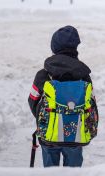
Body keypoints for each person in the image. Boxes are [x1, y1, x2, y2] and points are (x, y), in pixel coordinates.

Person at [28, 26, 98, 167]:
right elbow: (92, 104)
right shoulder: (83, 75)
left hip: (48, 134)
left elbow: (32, 101)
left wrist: (45, 119)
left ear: (54, 48)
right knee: (73, 175)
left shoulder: (44, 74)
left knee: (50, 175)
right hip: (76, 134)